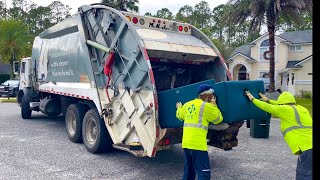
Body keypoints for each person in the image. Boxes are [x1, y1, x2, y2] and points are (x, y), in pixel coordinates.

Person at [244, 90, 312, 180]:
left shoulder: (285, 110)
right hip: (309, 146)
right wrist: (268, 100)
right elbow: (278, 105)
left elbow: (268, 108)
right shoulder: (302, 109)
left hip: (307, 149)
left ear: (282, 104)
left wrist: (252, 99)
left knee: (304, 175)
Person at [176, 84, 223, 180]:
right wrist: (214, 105)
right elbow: (218, 119)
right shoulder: (207, 106)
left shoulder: (188, 104)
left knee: (189, 171)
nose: (212, 97)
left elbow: (180, 116)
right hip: (198, 145)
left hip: (186, 143)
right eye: (211, 95)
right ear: (205, 95)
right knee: (203, 172)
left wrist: (179, 108)